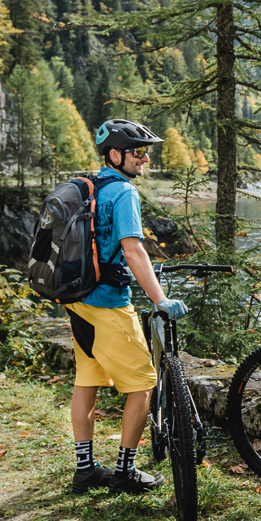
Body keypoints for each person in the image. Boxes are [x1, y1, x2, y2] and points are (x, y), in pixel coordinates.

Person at [66, 118, 190, 495]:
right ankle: (125, 471)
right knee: (144, 382)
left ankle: (85, 468)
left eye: (146, 152)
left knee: (87, 379)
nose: (145, 159)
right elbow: (133, 249)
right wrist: (161, 299)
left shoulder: (89, 187)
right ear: (115, 154)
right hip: (108, 305)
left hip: (77, 301)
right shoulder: (123, 193)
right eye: (138, 152)